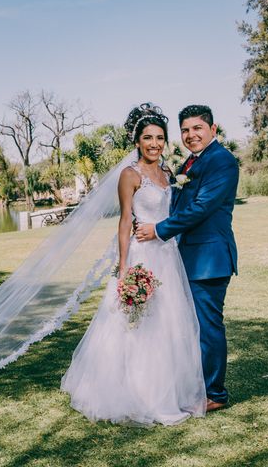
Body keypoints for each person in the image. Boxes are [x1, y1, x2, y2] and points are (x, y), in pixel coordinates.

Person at [61, 103, 207, 426]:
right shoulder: (130, 175)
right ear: (137, 142)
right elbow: (125, 221)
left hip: (168, 256)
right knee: (139, 326)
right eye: (147, 138)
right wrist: (124, 267)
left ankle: (169, 391)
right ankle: (137, 393)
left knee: (171, 325)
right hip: (143, 256)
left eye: (159, 138)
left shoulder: (170, 174)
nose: (154, 144)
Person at [135, 105, 239, 412]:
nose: (191, 135)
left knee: (207, 327)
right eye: (185, 130)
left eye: (197, 128)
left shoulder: (221, 161)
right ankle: (197, 386)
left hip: (209, 258)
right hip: (187, 256)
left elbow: (202, 208)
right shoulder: (191, 163)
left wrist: (158, 230)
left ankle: (215, 394)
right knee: (192, 326)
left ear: (212, 129)